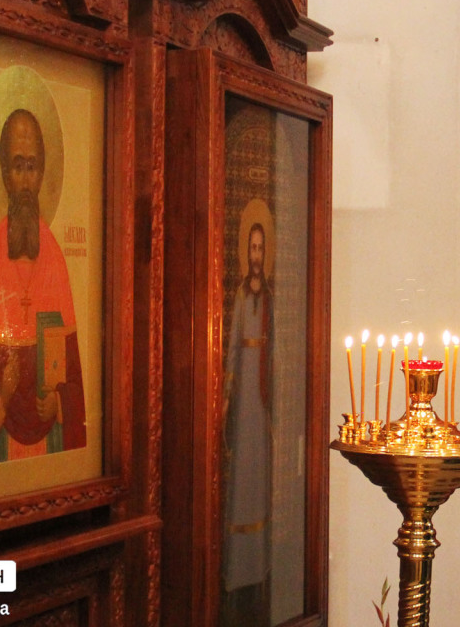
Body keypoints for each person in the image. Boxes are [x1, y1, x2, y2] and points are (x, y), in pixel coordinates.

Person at [0, 108, 87, 470]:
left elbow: (73, 376)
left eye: (32, 166)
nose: (26, 180)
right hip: (1, 447)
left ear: (41, 173)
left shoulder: (55, 258)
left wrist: (59, 404)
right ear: (4, 174)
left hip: (50, 447)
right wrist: (0, 397)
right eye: (17, 166)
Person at [221, 220, 273, 625]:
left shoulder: (269, 298)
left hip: (263, 400)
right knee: (240, 481)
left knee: (258, 480)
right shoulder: (241, 296)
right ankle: (237, 571)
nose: (255, 256)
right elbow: (233, 350)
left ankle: (258, 568)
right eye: (250, 248)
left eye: (260, 249)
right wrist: (226, 395)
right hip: (244, 404)